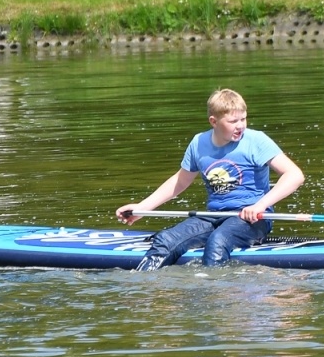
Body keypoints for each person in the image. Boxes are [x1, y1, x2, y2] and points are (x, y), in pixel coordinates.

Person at [116, 89, 305, 271]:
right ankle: (144, 284)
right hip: (216, 215)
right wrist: (143, 208)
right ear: (213, 121)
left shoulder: (256, 141)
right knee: (165, 239)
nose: (241, 125)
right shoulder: (198, 143)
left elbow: (294, 175)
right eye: (233, 121)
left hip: (253, 219)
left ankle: (214, 293)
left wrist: (260, 206)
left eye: (243, 118)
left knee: (218, 241)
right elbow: (180, 182)